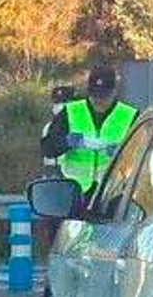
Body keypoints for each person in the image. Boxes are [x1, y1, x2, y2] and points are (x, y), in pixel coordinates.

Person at [41, 67, 138, 199]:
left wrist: (121, 152)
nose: (99, 100)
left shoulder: (130, 115)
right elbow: (48, 148)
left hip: (113, 193)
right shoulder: (71, 111)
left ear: (114, 92)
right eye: (95, 95)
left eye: (104, 96)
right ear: (89, 91)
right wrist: (69, 141)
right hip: (75, 191)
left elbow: (143, 153)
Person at [41, 84, 78, 177]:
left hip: (75, 174)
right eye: (56, 102)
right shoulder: (48, 128)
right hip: (55, 173)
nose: (60, 105)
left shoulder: (79, 125)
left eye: (65, 101)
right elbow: (47, 159)